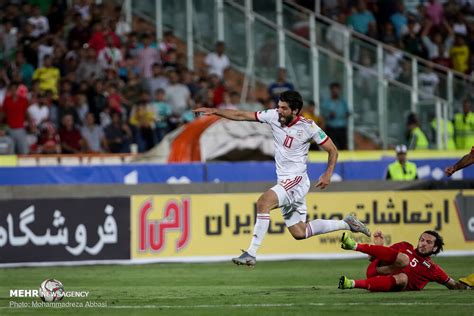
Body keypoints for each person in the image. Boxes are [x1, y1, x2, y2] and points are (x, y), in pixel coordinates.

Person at [193, 90, 371, 267]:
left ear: (295, 110)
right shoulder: (272, 116)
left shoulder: (309, 127)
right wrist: (215, 111)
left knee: (263, 202)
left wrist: (327, 173)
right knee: (300, 232)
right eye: (278, 107)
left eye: (284, 108)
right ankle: (347, 224)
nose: (279, 111)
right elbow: (241, 115)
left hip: (297, 180)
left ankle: (251, 253)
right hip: (285, 181)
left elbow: (333, 150)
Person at [338, 230, 471, 291]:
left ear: (435, 247)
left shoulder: (433, 269)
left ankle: (351, 284)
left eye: (428, 242)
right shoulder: (405, 246)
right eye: (422, 240)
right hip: (376, 269)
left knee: (403, 278)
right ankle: (354, 245)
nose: (423, 243)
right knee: (404, 259)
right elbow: (372, 258)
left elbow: (453, 285)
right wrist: (379, 246)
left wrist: (468, 285)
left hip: (390, 283)